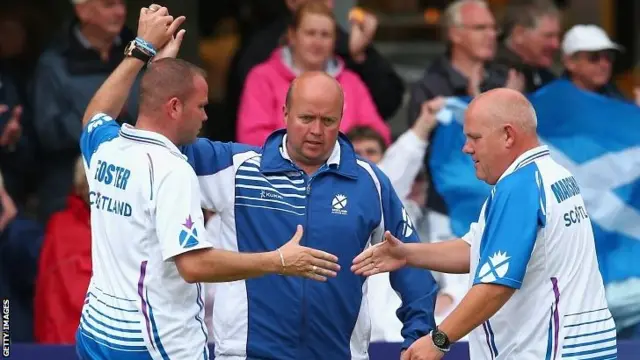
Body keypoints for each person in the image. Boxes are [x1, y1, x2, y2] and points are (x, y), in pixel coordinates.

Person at [75, 5, 339, 359]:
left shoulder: (107, 146)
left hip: (95, 333)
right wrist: (278, 260)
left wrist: (143, 51)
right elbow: (193, 265)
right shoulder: (171, 169)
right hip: (156, 346)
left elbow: (94, 115)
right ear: (173, 107)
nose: (206, 114)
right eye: (199, 106)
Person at [180, 70, 439, 359]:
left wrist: (418, 336)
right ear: (285, 113)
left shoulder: (370, 182)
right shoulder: (237, 168)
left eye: (328, 121)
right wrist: (150, 57)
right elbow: (158, 142)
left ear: (341, 119)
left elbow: (410, 261)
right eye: (306, 118)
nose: (316, 130)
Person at [352, 88, 617, 359]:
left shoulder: (519, 188)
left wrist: (439, 340)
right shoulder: (554, 174)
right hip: (582, 347)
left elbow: (496, 285)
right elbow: (476, 250)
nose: (466, 148)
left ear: (508, 135)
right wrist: (407, 254)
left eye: (474, 138)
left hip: (549, 351)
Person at [236, 0, 391, 146]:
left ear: (335, 40)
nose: (317, 42)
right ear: (292, 36)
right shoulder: (262, 78)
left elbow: (379, 135)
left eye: (325, 35)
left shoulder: (351, 81)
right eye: (310, 33)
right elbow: (251, 138)